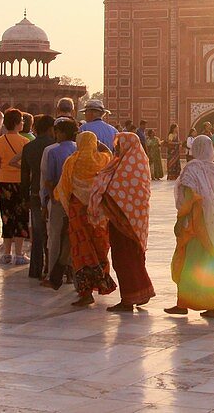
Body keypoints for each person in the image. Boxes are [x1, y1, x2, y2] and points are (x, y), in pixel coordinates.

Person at [89, 132, 156, 311]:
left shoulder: (128, 165)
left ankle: (128, 300)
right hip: (135, 220)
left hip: (124, 220)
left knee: (124, 259)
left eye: (119, 145)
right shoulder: (137, 162)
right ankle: (142, 291)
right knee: (133, 258)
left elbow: (115, 190)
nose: (116, 148)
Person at [165, 134, 214, 317]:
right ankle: (211, 306)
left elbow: (190, 197)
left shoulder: (192, 168)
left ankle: (184, 304)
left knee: (187, 263)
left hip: (194, 224)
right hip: (212, 224)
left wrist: (180, 219)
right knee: (205, 264)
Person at [55, 131, 117, 307]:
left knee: (82, 250)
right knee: (99, 247)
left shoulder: (72, 161)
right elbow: (110, 155)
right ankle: (101, 282)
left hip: (78, 213)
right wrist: (100, 145)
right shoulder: (103, 160)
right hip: (98, 213)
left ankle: (85, 291)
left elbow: (63, 187)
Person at [42, 119, 78, 287]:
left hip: (58, 199)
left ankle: (52, 275)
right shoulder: (80, 149)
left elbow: (49, 180)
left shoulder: (53, 152)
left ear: (62, 133)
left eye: (57, 132)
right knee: (73, 237)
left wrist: (51, 199)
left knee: (55, 237)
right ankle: (71, 274)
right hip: (76, 200)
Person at [0, 109, 30, 265]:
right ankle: (19, 253)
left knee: (6, 217)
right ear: (16, 123)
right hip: (20, 182)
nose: (23, 123)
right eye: (21, 120)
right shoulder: (25, 142)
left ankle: (6, 253)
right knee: (21, 217)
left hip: (4, 181)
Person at [21, 114, 55, 279]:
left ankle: (35, 269)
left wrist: (24, 198)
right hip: (53, 194)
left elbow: (24, 176)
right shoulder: (55, 146)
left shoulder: (29, 147)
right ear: (51, 129)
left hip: (34, 192)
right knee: (53, 233)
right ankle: (51, 268)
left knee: (38, 232)